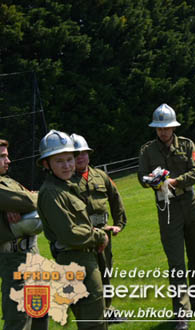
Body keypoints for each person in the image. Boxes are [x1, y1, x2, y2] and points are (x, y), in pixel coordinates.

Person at [137, 104, 195, 330]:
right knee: (176, 262)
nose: (163, 132)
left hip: (190, 202)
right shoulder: (147, 150)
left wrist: (175, 181)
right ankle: (182, 312)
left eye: (167, 128)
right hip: (166, 207)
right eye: (159, 128)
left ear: (173, 127)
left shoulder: (187, 144)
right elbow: (141, 177)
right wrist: (152, 180)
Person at [37, 130, 108, 330]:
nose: (67, 165)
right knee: (93, 322)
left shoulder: (65, 187)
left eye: (69, 159)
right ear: (46, 164)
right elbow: (70, 233)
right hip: (75, 260)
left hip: (84, 257)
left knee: (96, 318)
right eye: (59, 161)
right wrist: (99, 236)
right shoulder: (52, 193)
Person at [70, 134, 127, 324]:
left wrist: (119, 223)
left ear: (89, 154)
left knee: (106, 272)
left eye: (83, 153)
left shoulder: (100, 175)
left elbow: (115, 197)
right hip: (84, 236)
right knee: (87, 276)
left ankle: (108, 309)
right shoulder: (67, 181)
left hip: (105, 233)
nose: (80, 157)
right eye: (76, 154)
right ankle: (91, 314)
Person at [0, 139, 48, 330]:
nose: (8, 160)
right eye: (2, 156)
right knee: (18, 318)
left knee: (40, 312)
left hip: (32, 252)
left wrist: (17, 204)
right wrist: (22, 201)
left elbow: (30, 198)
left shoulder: (8, 182)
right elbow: (30, 200)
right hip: (13, 258)